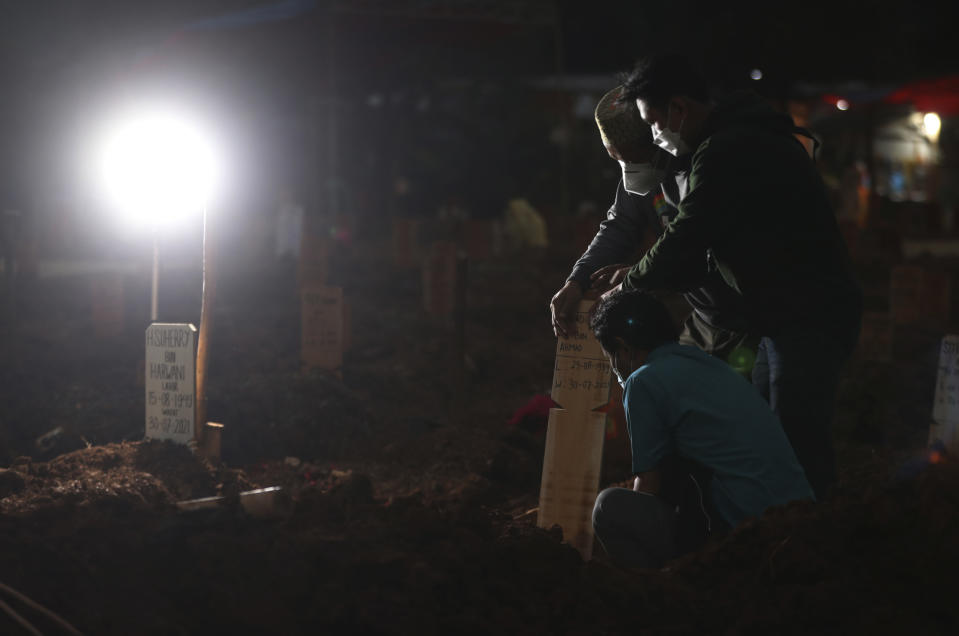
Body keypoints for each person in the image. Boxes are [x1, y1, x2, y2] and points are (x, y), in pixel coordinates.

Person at [612, 55, 862, 500]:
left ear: (678, 109)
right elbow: (701, 248)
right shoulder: (728, 142)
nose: (655, 135)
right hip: (781, 318)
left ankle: (813, 539)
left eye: (653, 122)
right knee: (771, 430)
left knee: (795, 433)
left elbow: (690, 233)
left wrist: (629, 284)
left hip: (810, 316)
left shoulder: (728, 149)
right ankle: (780, 531)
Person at [589, 289, 813, 569]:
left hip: (749, 537)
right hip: (800, 524)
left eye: (611, 358)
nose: (614, 367)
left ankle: (654, 597)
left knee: (609, 508)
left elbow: (648, 485)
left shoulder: (642, 381)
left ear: (622, 347)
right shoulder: (708, 366)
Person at [550, 85, 756, 369]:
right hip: (706, 318)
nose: (629, 168)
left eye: (633, 158)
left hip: (753, 318)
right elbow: (620, 224)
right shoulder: (642, 175)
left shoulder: (704, 167)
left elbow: (689, 247)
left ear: (658, 134)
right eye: (618, 158)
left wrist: (632, 279)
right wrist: (578, 280)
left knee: (744, 404)